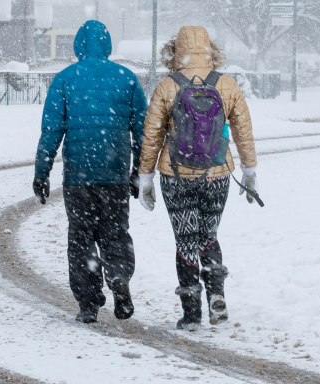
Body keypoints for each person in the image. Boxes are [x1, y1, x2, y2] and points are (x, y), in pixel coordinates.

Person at [136, 26, 258, 331]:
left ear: (175, 51)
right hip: (217, 174)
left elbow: (151, 135)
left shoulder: (167, 85)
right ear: (211, 49)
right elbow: (243, 130)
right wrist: (250, 169)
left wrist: (145, 177)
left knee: (185, 240)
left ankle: (191, 313)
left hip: (175, 175)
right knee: (209, 235)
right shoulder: (226, 84)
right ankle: (217, 296)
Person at [34, 20, 148, 324]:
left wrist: (41, 171)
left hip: (78, 176)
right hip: (114, 173)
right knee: (115, 233)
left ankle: (88, 301)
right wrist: (139, 170)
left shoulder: (65, 79)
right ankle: (119, 279)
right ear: (107, 44)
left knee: (81, 237)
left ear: (78, 46)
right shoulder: (127, 79)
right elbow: (143, 131)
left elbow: (51, 130)